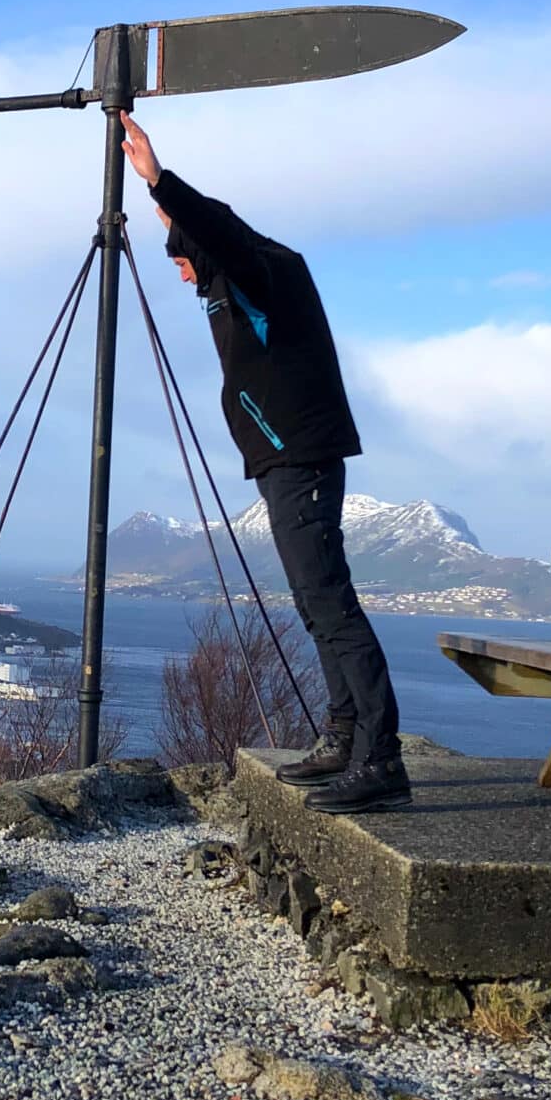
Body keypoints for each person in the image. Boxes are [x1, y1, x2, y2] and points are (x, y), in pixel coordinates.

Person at [121, 111, 410, 814]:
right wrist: (162, 206)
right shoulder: (242, 278)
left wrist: (162, 180)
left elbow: (218, 232)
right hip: (288, 459)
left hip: (300, 459)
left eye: (185, 259)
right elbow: (202, 239)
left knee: (331, 606)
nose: (182, 271)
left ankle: (380, 758)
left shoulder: (262, 273)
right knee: (316, 608)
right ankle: (345, 735)